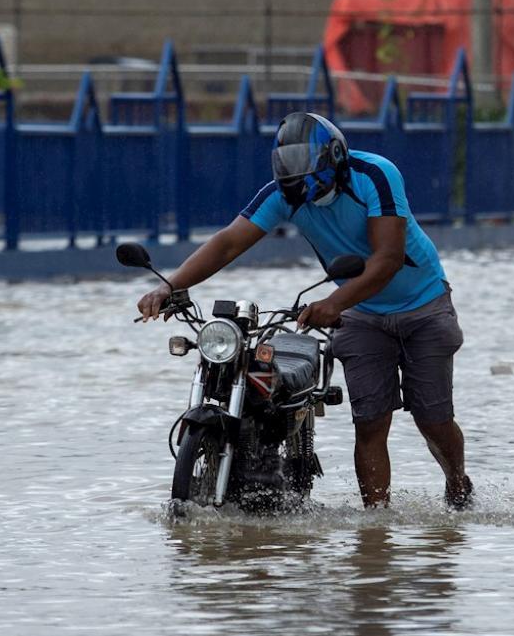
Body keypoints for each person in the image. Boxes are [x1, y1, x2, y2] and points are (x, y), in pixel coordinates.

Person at [136, 112, 474, 509]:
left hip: (423, 305)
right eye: (292, 176)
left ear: (335, 158)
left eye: (310, 174)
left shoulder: (376, 175)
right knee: (369, 423)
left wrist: (333, 303)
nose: (303, 185)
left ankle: (456, 482)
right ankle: (376, 528)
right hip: (361, 313)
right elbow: (229, 242)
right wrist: (172, 285)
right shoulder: (283, 195)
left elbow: (388, 259)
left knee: (431, 419)